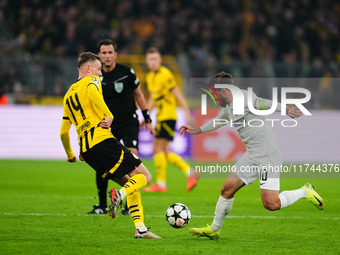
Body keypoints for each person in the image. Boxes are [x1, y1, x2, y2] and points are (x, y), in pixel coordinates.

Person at [179, 72, 324, 240]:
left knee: (271, 204)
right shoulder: (227, 106)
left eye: (214, 92)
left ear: (224, 90)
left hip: (267, 156)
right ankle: (214, 229)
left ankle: (305, 192)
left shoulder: (244, 98)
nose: (212, 96)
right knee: (226, 190)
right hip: (251, 155)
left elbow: (263, 104)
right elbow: (219, 120)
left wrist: (286, 110)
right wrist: (196, 130)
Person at [60, 52, 160, 239]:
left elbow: (64, 132)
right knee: (145, 176)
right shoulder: (92, 81)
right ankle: (120, 196)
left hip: (87, 152)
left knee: (132, 183)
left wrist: (70, 154)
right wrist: (109, 114)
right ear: (88, 69)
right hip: (102, 140)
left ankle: (141, 229)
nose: (100, 74)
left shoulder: (67, 96)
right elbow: (91, 91)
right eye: (98, 69)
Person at [86, 39, 155, 215]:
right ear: (99, 56)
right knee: (102, 165)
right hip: (107, 125)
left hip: (129, 122)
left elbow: (139, 95)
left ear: (115, 55)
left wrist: (147, 118)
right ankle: (102, 205)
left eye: (110, 52)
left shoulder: (127, 72)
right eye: (104, 53)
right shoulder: (96, 78)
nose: (107, 56)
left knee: (131, 162)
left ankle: (127, 204)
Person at [143, 47, 199, 192]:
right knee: (165, 152)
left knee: (157, 148)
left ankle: (161, 184)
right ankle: (190, 172)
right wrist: (145, 116)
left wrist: (187, 114)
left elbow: (178, 95)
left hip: (168, 116)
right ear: (146, 61)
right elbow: (152, 100)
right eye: (150, 59)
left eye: (156, 59)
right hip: (161, 117)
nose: (153, 62)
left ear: (160, 60)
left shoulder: (165, 74)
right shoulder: (150, 77)